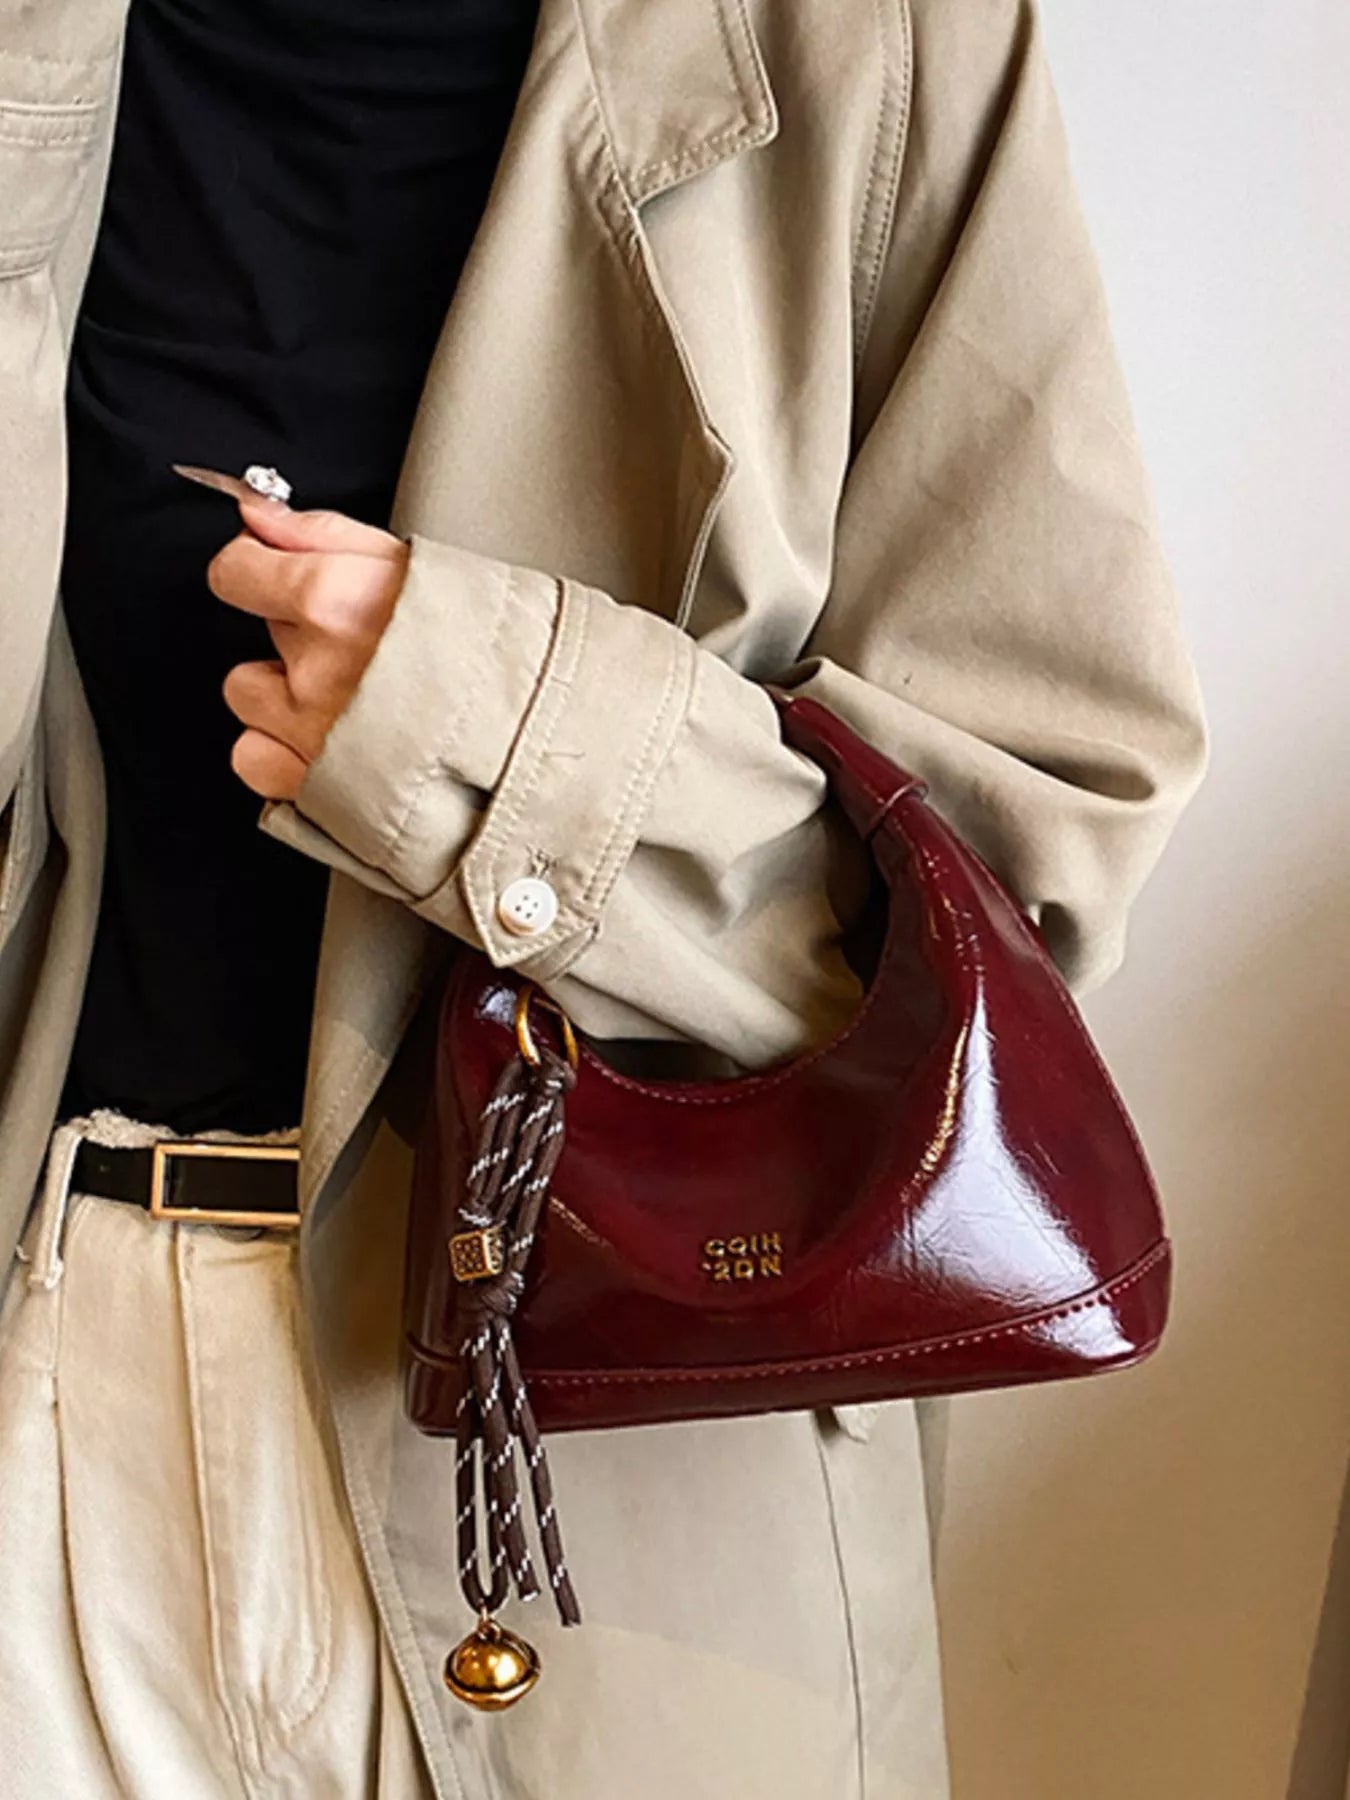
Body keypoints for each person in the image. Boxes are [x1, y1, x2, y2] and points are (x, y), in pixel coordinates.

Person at [0, 0, 1208, 1794]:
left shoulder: (869, 43)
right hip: (49, 1363)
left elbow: (1032, 855)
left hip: (608, 1438)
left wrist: (480, 725)